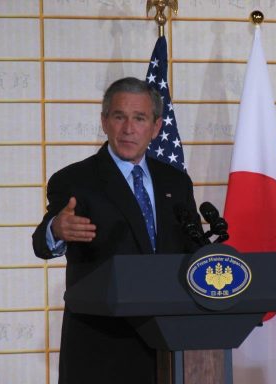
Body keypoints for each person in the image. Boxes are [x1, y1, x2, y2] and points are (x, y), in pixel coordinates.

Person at [32, 77, 200, 384]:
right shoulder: (75, 179)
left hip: (171, 343)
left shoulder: (175, 183)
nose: (128, 129)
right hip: (102, 347)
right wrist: (56, 229)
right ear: (104, 121)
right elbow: (42, 241)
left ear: (156, 126)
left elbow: (192, 247)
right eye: (119, 117)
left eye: (139, 118)